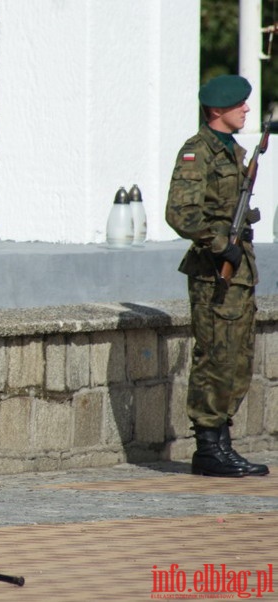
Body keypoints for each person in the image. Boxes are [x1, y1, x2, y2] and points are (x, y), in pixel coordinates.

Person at [165, 74, 269, 478]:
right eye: (239, 105)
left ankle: (222, 443)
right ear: (216, 111)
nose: (246, 109)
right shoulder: (198, 152)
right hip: (215, 273)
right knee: (215, 357)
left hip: (239, 268)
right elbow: (180, 213)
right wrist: (216, 241)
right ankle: (208, 449)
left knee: (238, 358)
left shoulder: (232, 150)